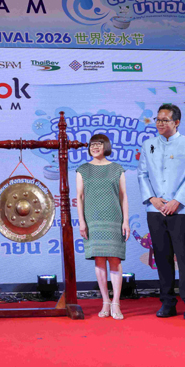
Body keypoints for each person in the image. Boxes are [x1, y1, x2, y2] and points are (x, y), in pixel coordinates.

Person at [137, 103, 185, 320]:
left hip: (180, 209)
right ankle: (167, 302)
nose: (160, 123)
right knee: (162, 256)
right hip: (155, 209)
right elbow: (142, 174)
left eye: (165, 120)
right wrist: (152, 199)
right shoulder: (148, 145)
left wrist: (177, 201)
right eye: (158, 119)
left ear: (177, 122)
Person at [77, 134, 129, 320]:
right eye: (92, 144)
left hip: (114, 217)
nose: (95, 147)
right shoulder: (83, 170)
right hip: (93, 218)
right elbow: (80, 197)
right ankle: (105, 301)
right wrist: (82, 221)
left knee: (115, 259)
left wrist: (126, 221)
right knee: (99, 259)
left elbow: (123, 196)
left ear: (106, 146)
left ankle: (116, 303)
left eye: (99, 144)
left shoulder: (117, 169)